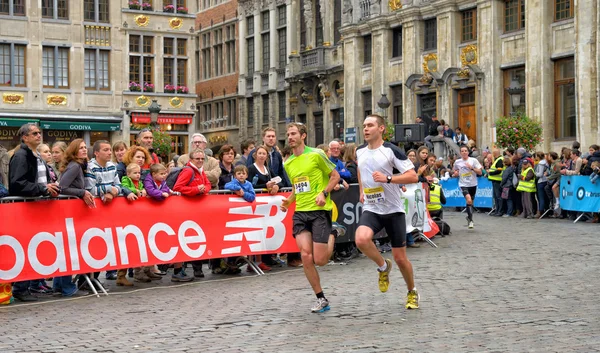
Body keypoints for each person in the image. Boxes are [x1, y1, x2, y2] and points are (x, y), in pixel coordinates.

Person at [354, 114, 420, 309]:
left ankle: (412, 291)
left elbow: (413, 176)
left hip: (393, 210)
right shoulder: (359, 151)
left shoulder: (391, 150)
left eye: (370, 125)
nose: (366, 129)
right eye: (364, 125)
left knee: (400, 258)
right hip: (372, 207)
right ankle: (383, 266)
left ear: (381, 128)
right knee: (361, 239)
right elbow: (360, 170)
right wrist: (361, 191)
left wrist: (389, 179)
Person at [280, 122, 341, 313]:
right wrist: (289, 201)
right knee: (306, 256)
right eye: (288, 134)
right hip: (301, 213)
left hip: (319, 211)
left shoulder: (316, 154)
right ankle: (321, 298)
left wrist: (323, 193)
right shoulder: (288, 163)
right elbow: (299, 188)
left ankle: (333, 232)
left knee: (321, 260)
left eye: (293, 134)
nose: (290, 137)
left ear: (303, 135)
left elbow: (335, 176)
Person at [8, 123, 59, 302]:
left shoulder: (36, 155)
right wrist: (42, 188)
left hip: (38, 207)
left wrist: (49, 188)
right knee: (25, 248)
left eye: (40, 133)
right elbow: (17, 183)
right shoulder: (21, 155)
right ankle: (21, 288)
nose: (39, 136)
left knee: (34, 248)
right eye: (35, 133)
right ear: (25, 137)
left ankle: (30, 285)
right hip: (26, 208)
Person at [57, 139, 98, 293]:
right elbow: (63, 187)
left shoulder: (79, 166)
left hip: (71, 211)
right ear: (73, 151)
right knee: (67, 249)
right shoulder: (74, 166)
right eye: (80, 148)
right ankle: (66, 287)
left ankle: (60, 286)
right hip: (68, 212)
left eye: (84, 148)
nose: (83, 150)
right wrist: (82, 192)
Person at [173, 148, 211, 279]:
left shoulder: (200, 171)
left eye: (202, 159)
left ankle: (197, 269)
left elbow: (207, 184)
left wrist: (203, 189)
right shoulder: (189, 171)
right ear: (191, 159)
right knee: (189, 238)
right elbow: (178, 188)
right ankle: (185, 269)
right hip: (187, 209)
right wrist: (196, 189)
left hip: (197, 209)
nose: (200, 161)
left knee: (197, 238)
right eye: (197, 159)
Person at [452, 145, 483, 229]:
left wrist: (472, 168)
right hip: (463, 184)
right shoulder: (457, 162)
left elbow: (480, 172)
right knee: (468, 199)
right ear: (460, 152)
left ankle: (469, 218)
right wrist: (455, 174)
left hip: (473, 184)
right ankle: (471, 221)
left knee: (470, 202)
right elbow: (454, 170)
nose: (464, 152)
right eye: (462, 151)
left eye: (465, 151)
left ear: (468, 152)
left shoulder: (473, 160)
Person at [487, 148, 504, 216]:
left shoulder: (500, 160)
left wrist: (490, 173)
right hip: (495, 181)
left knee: (498, 196)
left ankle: (500, 211)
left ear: (494, 153)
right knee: (496, 197)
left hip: (498, 181)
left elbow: (499, 170)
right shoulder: (497, 159)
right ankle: (497, 210)